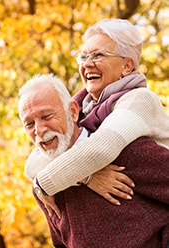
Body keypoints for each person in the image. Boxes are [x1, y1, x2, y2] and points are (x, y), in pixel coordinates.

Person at [24, 19, 169, 208]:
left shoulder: (139, 100)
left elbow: (100, 148)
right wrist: (88, 176)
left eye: (98, 55)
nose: (87, 64)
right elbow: (33, 163)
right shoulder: (84, 108)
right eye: (83, 58)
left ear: (127, 66)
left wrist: (43, 184)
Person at [18, 73, 169, 248]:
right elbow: (62, 242)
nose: (40, 130)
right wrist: (86, 176)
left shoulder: (126, 149)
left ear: (73, 112)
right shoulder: (42, 186)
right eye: (29, 124)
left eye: (47, 116)